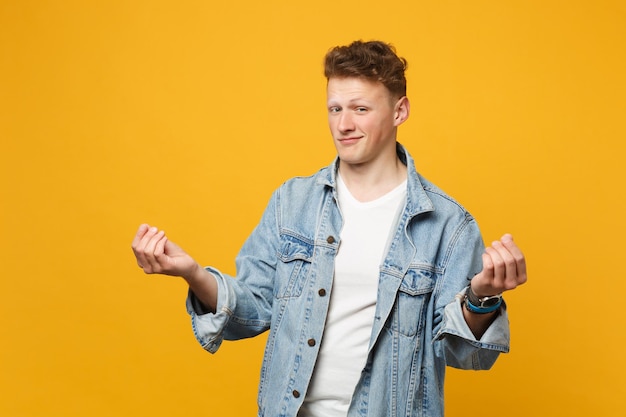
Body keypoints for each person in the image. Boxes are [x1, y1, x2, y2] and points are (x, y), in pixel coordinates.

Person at [131, 40, 527, 417]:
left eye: (360, 109)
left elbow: (463, 353)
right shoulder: (293, 202)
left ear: (399, 111)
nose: (344, 124)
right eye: (334, 109)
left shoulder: (447, 224)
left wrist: (481, 298)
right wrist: (193, 273)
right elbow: (249, 311)